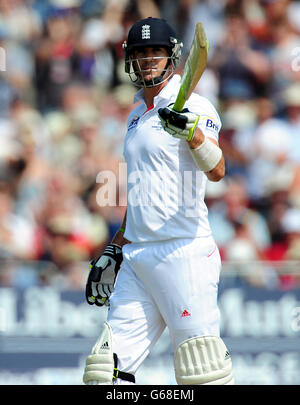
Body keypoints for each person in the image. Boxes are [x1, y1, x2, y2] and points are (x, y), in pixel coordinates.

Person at [82, 17, 234, 385]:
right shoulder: (136, 116)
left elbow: (218, 171)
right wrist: (116, 246)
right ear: (129, 60)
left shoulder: (195, 105)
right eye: (140, 53)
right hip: (138, 259)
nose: (148, 59)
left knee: (202, 372)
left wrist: (190, 132)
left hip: (183, 253)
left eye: (156, 52)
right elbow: (140, 192)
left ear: (172, 57)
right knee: (106, 374)